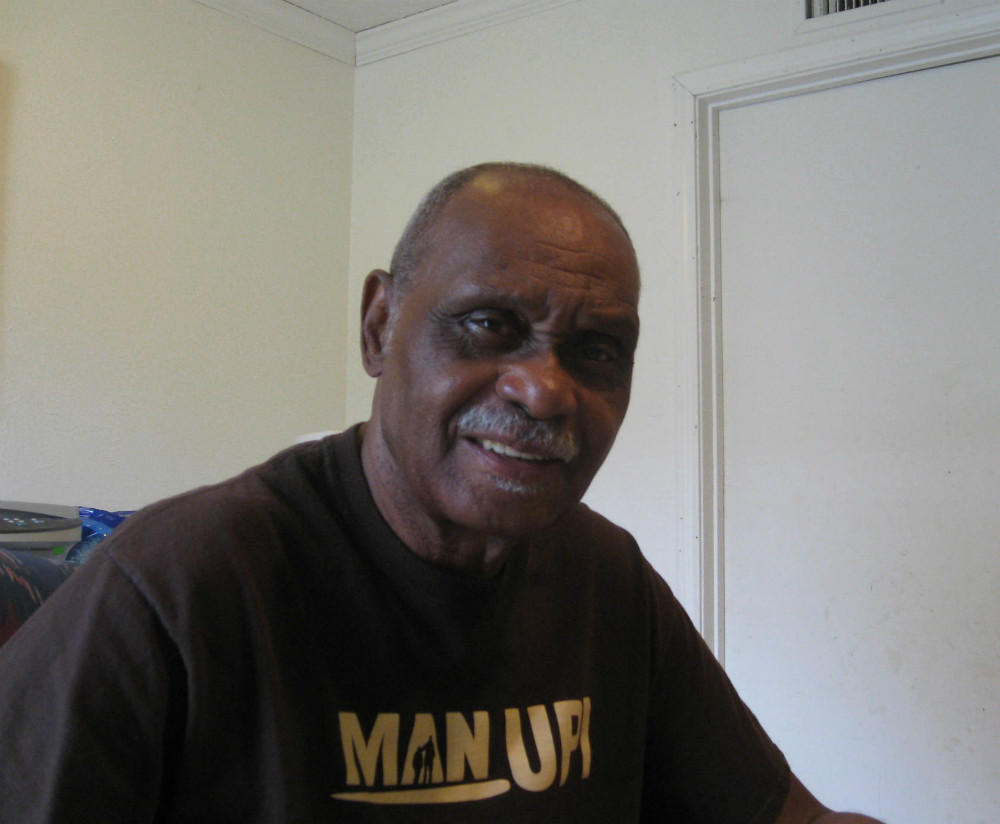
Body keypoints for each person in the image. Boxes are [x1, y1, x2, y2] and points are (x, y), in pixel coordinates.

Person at [0, 162, 885, 823]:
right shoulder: (175, 585)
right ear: (381, 327)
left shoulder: (603, 577)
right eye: (489, 325)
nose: (545, 389)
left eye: (598, 351)